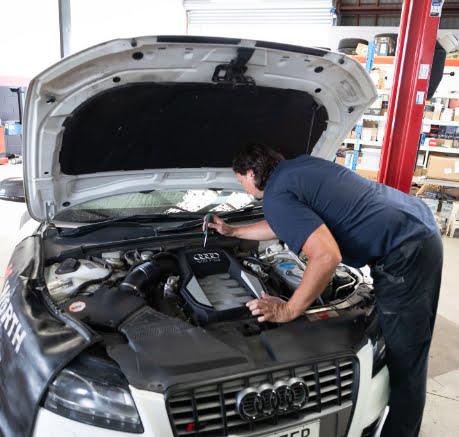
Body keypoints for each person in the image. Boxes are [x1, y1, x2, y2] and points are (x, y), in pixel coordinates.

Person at [206, 143, 442, 437]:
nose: (240, 185)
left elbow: (328, 256)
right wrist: (234, 232)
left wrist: (289, 308)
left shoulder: (276, 196)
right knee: (404, 344)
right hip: (413, 226)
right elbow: (284, 223)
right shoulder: (298, 168)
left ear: (252, 173)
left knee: (407, 357)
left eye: (239, 179)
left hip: (407, 248)